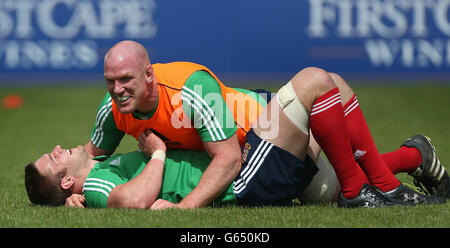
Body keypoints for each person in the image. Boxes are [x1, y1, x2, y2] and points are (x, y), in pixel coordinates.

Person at [72, 40, 448, 208]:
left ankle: (369, 190)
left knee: (320, 79)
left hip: (256, 144)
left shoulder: (189, 88)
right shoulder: (113, 110)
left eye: (126, 80)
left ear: (150, 75)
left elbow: (229, 159)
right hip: (269, 138)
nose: (118, 89)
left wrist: (183, 212)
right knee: (322, 190)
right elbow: (90, 156)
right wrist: (76, 191)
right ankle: (412, 157)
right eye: (111, 81)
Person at [24, 129, 446, 208]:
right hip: (235, 172)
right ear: (65, 180)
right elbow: (130, 200)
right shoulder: (97, 181)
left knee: (323, 173)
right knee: (313, 91)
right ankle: (413, 157)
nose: (58, 147)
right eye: (53, 157)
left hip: (230, 152)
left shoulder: (96, 169)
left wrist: (68, 202)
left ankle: (414, 157)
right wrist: (157, 154)